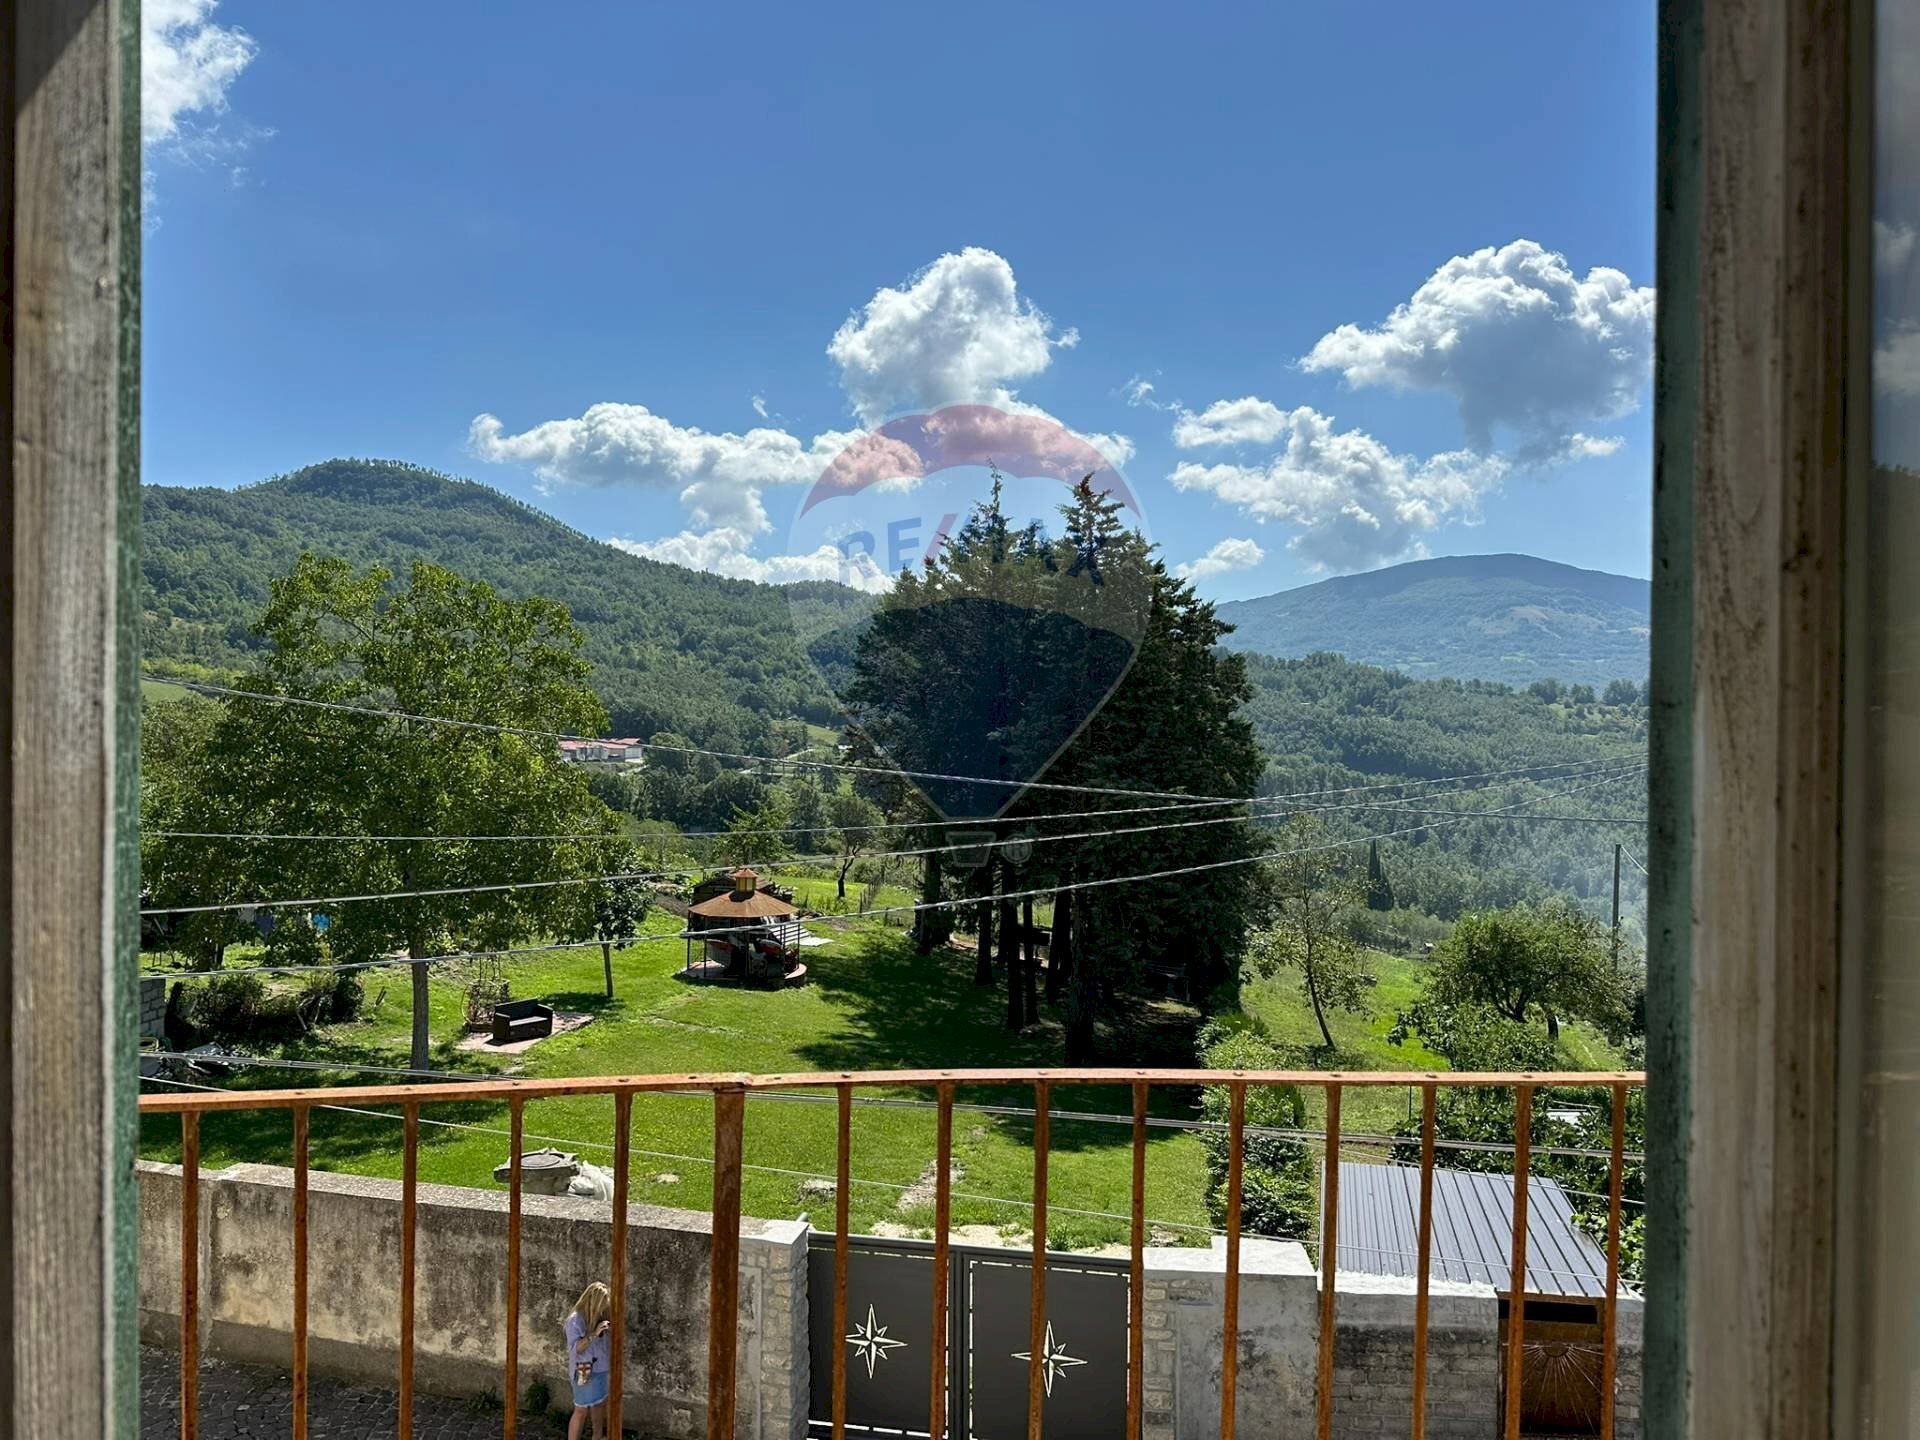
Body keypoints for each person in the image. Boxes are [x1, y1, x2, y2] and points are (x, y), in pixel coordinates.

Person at [563, 1281, 613, 1440]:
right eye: (602, 1304)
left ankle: (597, 1437)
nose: (604, 1308)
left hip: (601, 1366)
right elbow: (576, 1348)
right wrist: (594, 1333)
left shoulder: (601, 1315)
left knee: (600, 1404)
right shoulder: (575, 1320)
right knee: (581, 1409)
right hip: (583, 1368)